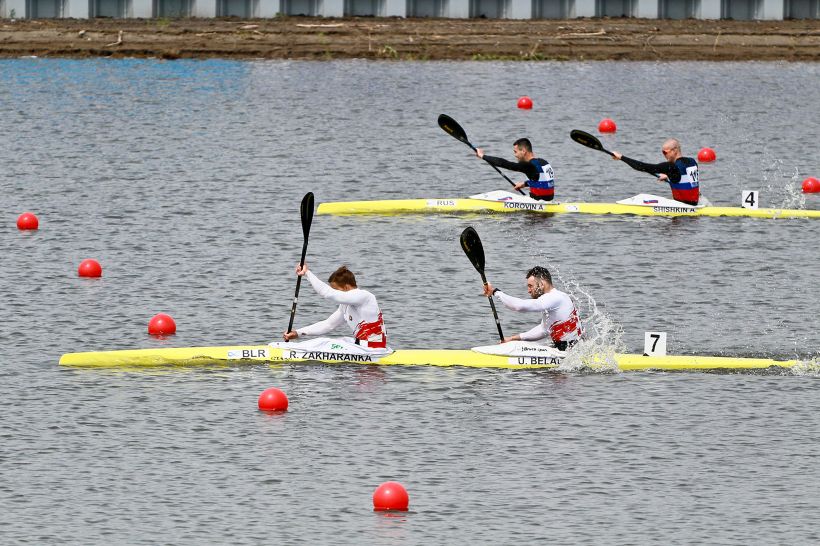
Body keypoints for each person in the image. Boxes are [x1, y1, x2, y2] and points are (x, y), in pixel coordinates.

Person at [283, 264, 388, 350]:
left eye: (335, 289)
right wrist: (298, 333)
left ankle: (290, 351)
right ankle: (292, 349)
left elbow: (327, 293)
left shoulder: (364, 296)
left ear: (346, 287)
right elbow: (328, 325)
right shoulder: (345, 306)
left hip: (373, 350)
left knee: (324, 342)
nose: (334, 292)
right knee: (331, 341)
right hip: (361, 347)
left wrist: (307, 273)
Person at [482, 266, 581, 351]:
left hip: (570, 351)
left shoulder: (554, 297)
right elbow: (543, 330)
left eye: (530, 286)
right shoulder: (557, 298)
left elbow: (519, 306)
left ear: (542, 283)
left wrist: (495, 292)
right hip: (569, 349)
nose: (529, 291)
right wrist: (512, 339)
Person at [611, 138, 700, 206]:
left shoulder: (671, 167)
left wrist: (621, 157)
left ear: (675, 150)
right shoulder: (692, 162)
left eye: (665, 152)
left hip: (683, 208)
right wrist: (668, 176)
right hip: (696, 205)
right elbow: (685, 179)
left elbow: (642, 167)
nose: (664, 155)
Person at [475, 138, 556, 201]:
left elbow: (505, 164)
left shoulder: (528, 166)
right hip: (548, 203)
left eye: (515, 152)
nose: (515, 155)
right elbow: (540, 180)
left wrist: (483, 156)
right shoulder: (544, 163)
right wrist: (524, 184)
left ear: (523, 151)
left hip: (539, 206)